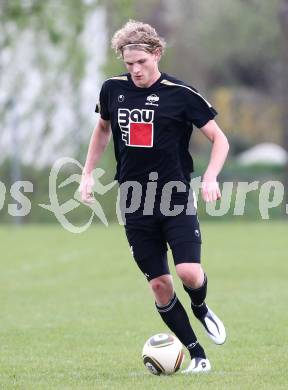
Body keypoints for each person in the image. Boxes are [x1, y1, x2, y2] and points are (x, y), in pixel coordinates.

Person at [79, 20, 229, 374]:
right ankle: (197, 354)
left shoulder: (182, 94)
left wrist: (210, 176)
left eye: (141, 63)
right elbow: (102, 129)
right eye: (129, 64)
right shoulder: (112, 90)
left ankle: (201, 306)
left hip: (174, 196)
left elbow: (219, 139)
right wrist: (87, 173)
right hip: (133, 201)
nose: (135, 71)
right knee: (160, 285)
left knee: (189, 273)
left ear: (157, 54)